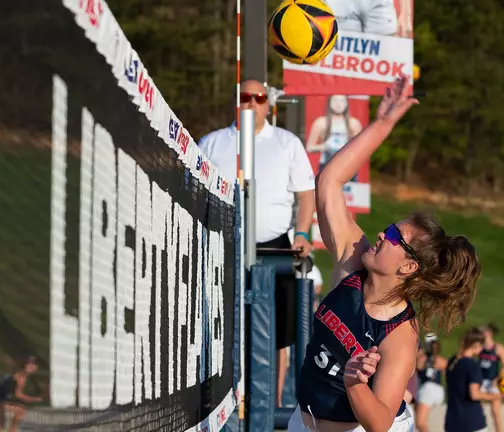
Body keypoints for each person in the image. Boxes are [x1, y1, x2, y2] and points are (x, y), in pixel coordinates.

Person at [287, 74, 482, 432]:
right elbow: (329, 181)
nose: (380, 233)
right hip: (303, 421)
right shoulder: (352, 264)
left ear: (409, 265)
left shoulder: (399, 334)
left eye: (393, 235)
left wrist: (354, 383)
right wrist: (382, 123)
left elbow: (378, 422)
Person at [198, 79, 316, 407]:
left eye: (258, 97)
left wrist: (303, 234)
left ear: (269, 104)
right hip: (222, 248)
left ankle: (271, 407)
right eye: (245, 97)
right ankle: (220, 404)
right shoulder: (213, 142)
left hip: (275, 248)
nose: (251, 103)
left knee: (275, 335)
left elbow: (306, 194)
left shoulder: (286, 142)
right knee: (221, 328)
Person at [445, 327, 504, 432]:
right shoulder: (472, 365)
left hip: (452, 422)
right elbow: (475, 394)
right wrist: (499, 396)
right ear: (476, 345)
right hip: (472, 423)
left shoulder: (452, 361)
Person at [306, 95, 363, 174]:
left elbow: (362, 148)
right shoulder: (320, 122)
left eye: (342, 101)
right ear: (329, 102)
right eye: (335, 100)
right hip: (326, 165)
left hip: (348, 166)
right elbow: (309, 147)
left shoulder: (354, 123)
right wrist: (324, 147)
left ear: (346, 103)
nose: (338, 104)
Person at [0, 356, 44, 432]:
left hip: (1, 399)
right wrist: (34, 399)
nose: (32, 367)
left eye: (34, 365)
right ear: (24, 365)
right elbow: (18, 394)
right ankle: (12, 429)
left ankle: (13, 430)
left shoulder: (23, 375)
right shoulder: (21, 376)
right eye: (29, 364)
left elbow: (16, 393)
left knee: (21, 410)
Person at [479, 322, 504, 432]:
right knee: (478, 410)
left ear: (489, 334)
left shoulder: (498, 348)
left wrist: (498, 380)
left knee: (495, 412)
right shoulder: (478, 347)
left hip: (493, 381)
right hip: (481, 381)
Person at [414, 333, 448, 432]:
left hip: (427, 389)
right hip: (439, 390)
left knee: (420, 423)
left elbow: (415, 368)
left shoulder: (421, 358)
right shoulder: (440, 360)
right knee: (422, 419)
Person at [325, 0, 411, 36]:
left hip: (379, 6)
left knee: (382, 58)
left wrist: (406, 15)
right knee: (339, 57)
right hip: (342, 5)